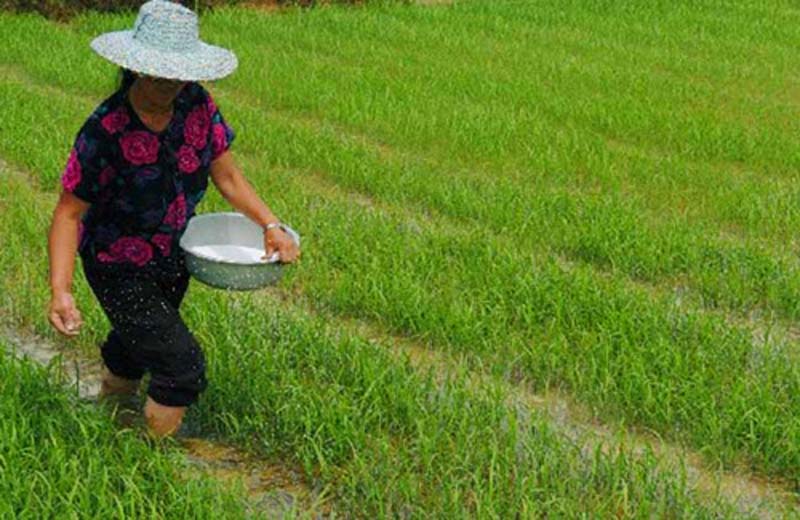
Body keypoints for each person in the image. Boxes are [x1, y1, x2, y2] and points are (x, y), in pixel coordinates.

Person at [46, 0, 300, 437]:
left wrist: (270, 225)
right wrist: (61, 290)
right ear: (136, 66)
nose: (170, 82)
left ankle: (112, 415)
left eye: (179, 72)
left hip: (173, 255)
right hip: (117, 265)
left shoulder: (197, 105)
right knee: (181, 368)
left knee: (137, 345)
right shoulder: (105, 130)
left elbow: (229, 177)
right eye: (159, 71)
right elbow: (69, 214)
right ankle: (147, 467)